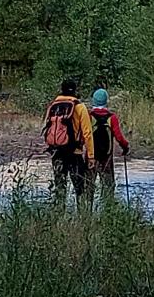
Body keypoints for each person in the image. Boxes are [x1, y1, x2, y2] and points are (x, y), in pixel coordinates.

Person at [42, 77, 97, 209]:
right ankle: (83, 218)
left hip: (56, 152)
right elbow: (87, 133)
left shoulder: (53, 105)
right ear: (75, 90)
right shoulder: (79, 106)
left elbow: (47, 127)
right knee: (80, 188)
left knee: (60, 188)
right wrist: (91, 156)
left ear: (61, 89)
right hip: (74, 153)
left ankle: (59, 217)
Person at [88, 87, 131, 195]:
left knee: (88, 187)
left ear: (93, 100)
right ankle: (108, 207)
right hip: (106, 157)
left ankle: (87, 210)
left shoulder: (89, 116)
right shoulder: (112, 117)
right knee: (108, 186)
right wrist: (125, 147)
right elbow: (119, 137)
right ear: (106, 101)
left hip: (91, 157)